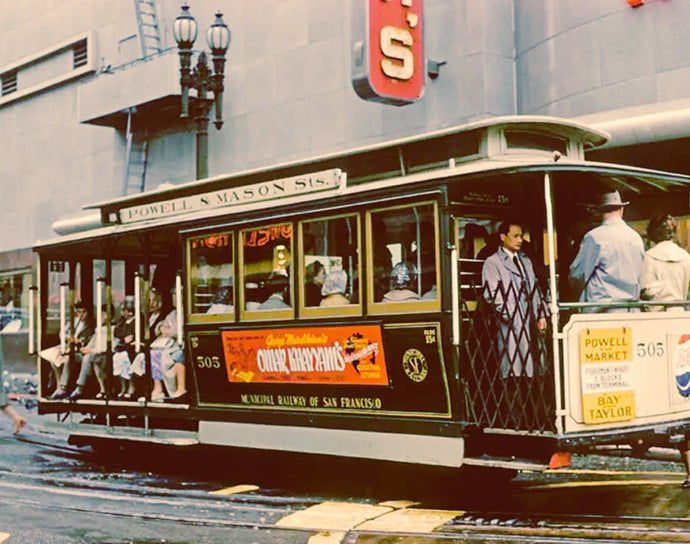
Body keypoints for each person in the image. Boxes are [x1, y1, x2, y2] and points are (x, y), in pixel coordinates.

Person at [639, 211, 690, 488]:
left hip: (657, 326)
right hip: (682, 324)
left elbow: (647, 294)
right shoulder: (685, 257)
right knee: (683, 395)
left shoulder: (649, 258)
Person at [481, 220, 548, 379]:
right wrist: (512, 316)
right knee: (515, 369)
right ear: (503, 237)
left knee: (535, 365)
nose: (520, 240)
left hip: (531, 319)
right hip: (512, 323)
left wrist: (541, 314)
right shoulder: (493, 263)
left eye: (521, 236)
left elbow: (535, 290)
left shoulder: (526, 260)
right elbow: (492, 295)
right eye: (515, 236)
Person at [569, 190, 644, 313]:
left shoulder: (594, 237)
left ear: (600, 211)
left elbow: (578, 276)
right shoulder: (636, 237)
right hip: (631, 310)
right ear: (621, 210)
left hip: (602, 311)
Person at [640, 211, 690, 311]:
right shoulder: (686, 257)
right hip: (680, 312)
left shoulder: (649, 257)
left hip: (656, 315)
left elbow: (646, 292)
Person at [44, 302, 94, 400]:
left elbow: (91, 339)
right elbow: (62, 332)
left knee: (68, 359)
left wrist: (80, 341)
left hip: (81, 352)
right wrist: (67, 338)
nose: (82, 315)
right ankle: (58, 385)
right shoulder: (73, 322)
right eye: (79, 312)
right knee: (54, 357)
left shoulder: (91, 324)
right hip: (70, 348)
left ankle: (63, 387)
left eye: (84, 312)